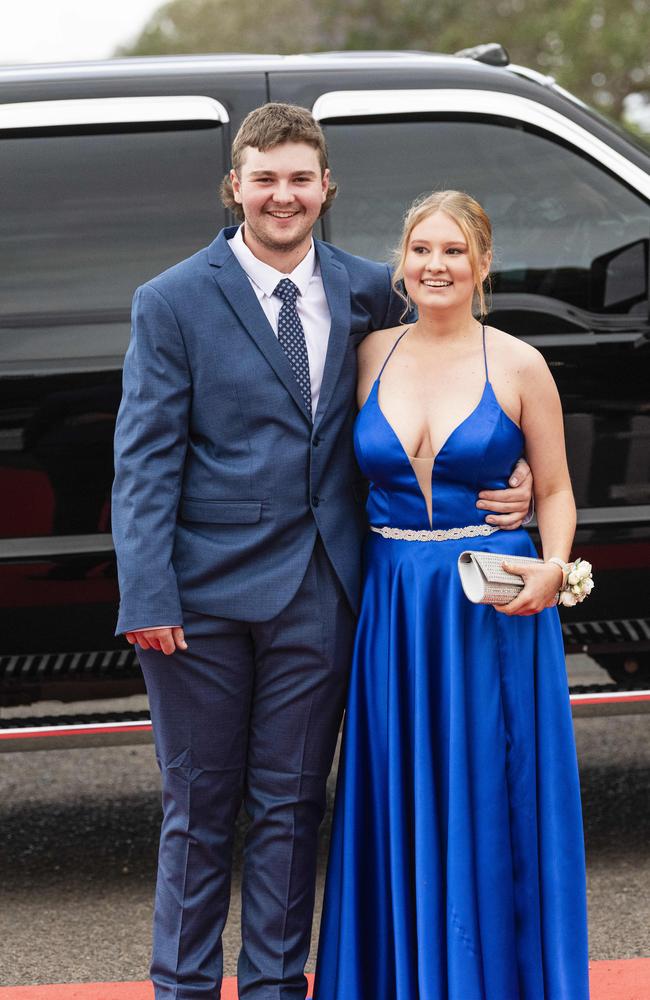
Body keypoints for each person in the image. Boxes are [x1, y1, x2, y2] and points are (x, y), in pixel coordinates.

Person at [111, 107, 534, 1000]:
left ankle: (272, 987)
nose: (283, 195)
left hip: (324, 590)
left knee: (291, 807)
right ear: (235, 187)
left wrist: (519, 477)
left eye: (300, 178)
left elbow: (448, 378)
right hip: (201, 601)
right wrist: (147, 594)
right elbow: (143, 463)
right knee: (199, 812)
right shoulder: (173, 300)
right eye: (265, 178)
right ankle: (181, 988)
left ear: (326, 188)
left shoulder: (371, 291)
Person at [313, 190, 590, 999]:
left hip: (492, 609)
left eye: (454, 252)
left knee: (489, 800)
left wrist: (553, 562)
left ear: (482, 265)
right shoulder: (368, 354)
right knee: (402, 800)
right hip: (395, 607)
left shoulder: (518, 363)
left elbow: (559, 490)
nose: (437, 266)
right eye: (422, 251)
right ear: (401, 263)